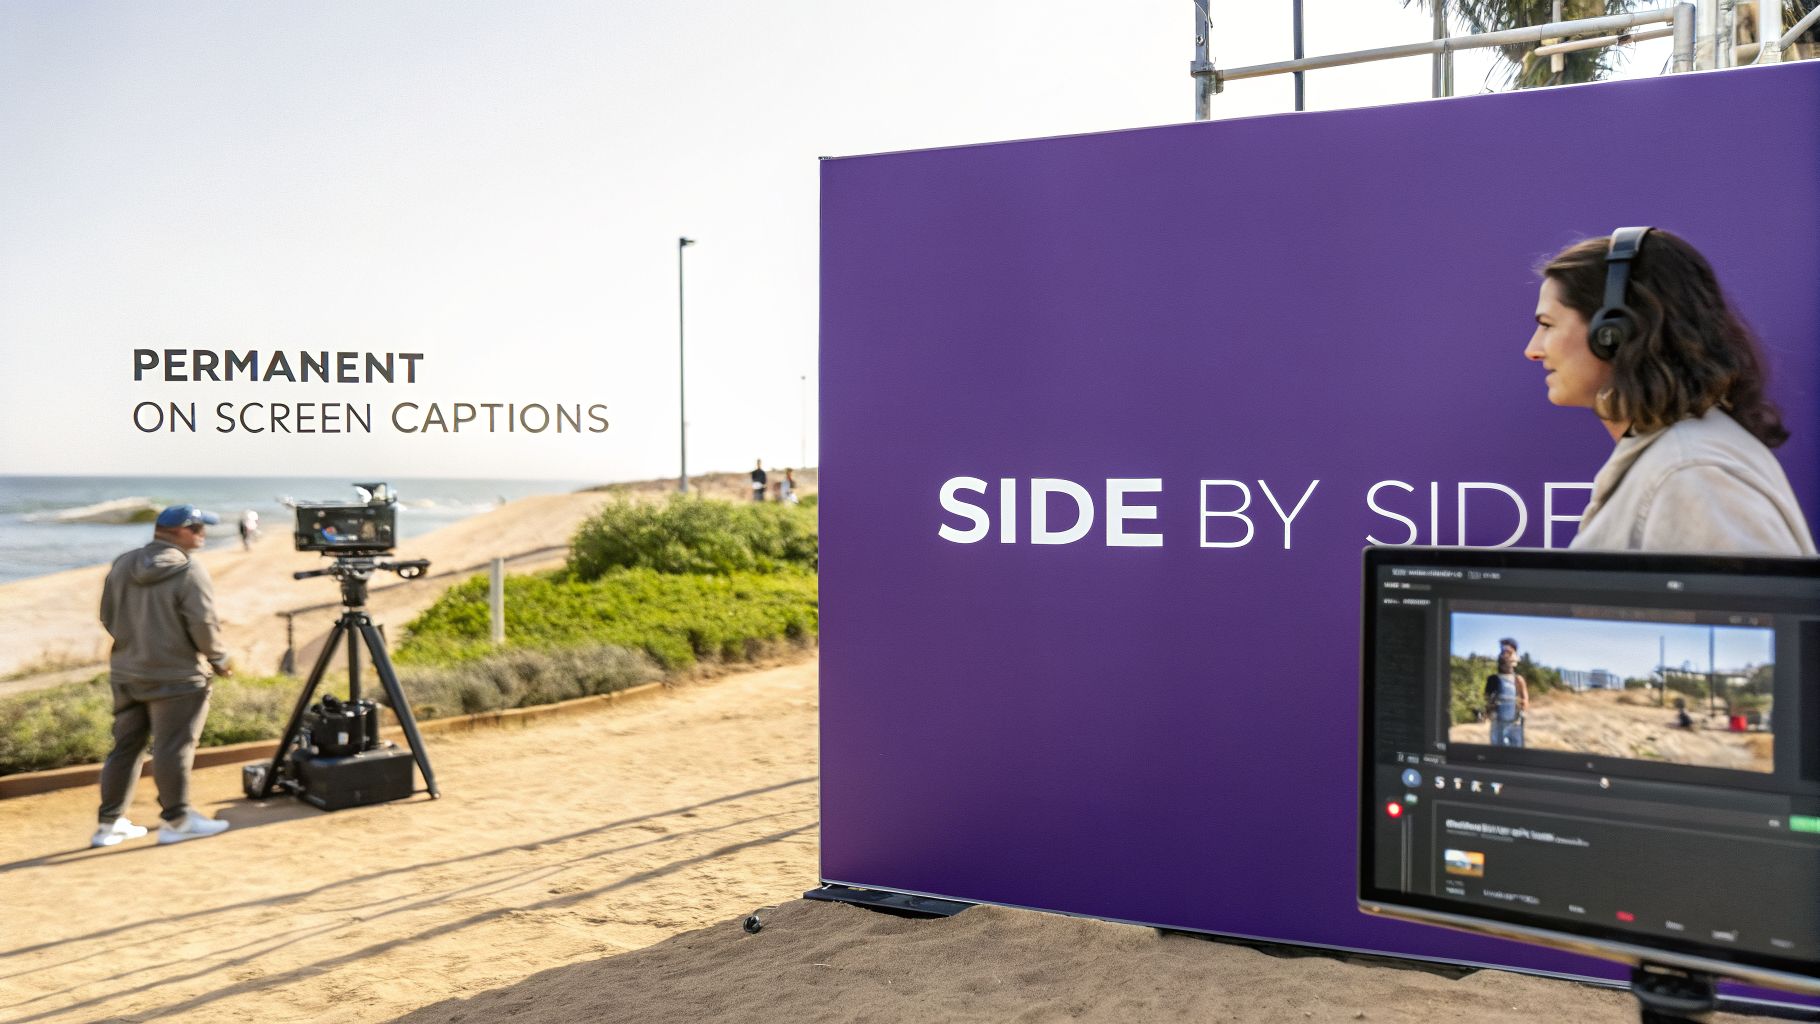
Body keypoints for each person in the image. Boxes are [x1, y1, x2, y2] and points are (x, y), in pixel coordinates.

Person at [1525, 227, 1815, 554]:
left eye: (1547, 325)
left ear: (1613, 333)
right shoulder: (1681, 461)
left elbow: (1749, 589)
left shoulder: (1693, 474)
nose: (1532, 350)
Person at [93, 504, 234, 847]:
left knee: (125, 747)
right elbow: (202, 623)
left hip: (127, 673)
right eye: (198, 528)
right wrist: (219, 659)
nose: (203, 534)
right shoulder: (188, 568)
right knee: (173, 748)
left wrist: (134, 646)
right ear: (179, 531)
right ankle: (178, 820)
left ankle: (109, 825)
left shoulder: (123, 563)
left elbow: (107, 615)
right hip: (178, 676)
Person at [1483, 640, 1529, 748]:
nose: (1506, 655)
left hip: (1515, 721)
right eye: (1503, 652)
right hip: (1498, 721)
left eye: (1510, 652)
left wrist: (1522, 710)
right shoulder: (1493, 679)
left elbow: (1525, 699)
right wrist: (1490, 710)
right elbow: (1487, 697)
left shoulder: (1518, 679)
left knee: (1516, 747)